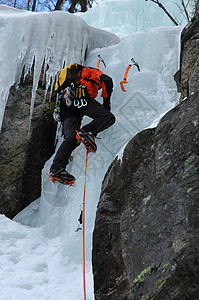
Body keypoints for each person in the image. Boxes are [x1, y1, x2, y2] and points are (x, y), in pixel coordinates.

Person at [48, 63, 115, 185]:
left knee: (71, 138)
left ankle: (56, 167)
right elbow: (107, 80)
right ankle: (87, 132)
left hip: (65, 106)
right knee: (108, 117)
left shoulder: (68, 80)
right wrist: (106, 104)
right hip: (79, 96)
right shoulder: (89, 71)